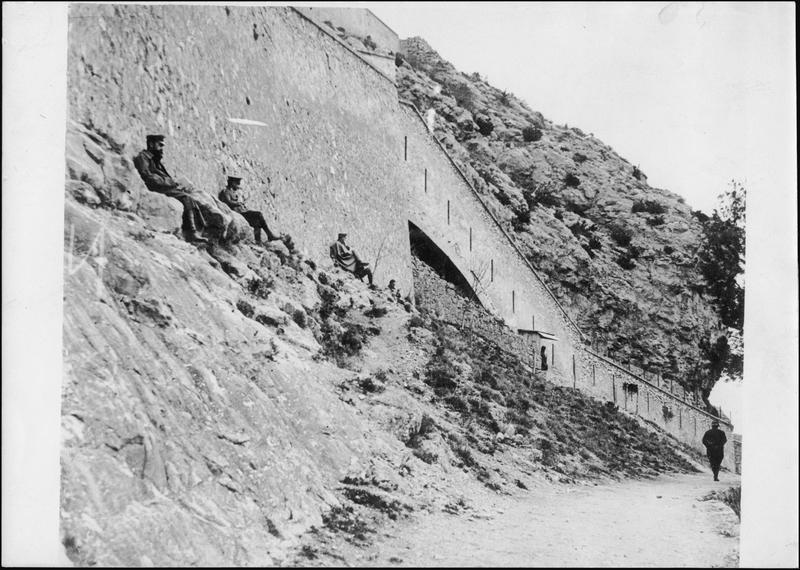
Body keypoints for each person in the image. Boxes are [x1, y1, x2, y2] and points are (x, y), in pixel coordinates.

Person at [133, 134, 208, 243]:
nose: (162, 148)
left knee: (192, 199)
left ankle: (198, 230)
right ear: (151, 144)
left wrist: (176, 183)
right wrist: (170, 182)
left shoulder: (156, 160)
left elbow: (163, 177)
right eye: (160, 145)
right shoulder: (143, 157)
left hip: (164, 187)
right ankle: (191, 233)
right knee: (186, 198)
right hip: (156, 188)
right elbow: (148, 177)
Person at [218, 175, 282, 245]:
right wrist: (238, 203)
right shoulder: (226, 191)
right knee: (258, 214)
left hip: (242, 211)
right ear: (232, 182)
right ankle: (269, 235)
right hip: (238, 213)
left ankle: (259, 241)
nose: (238, 186)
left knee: (257, 222)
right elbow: (228, 202)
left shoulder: (233, 192)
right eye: (237, 183)